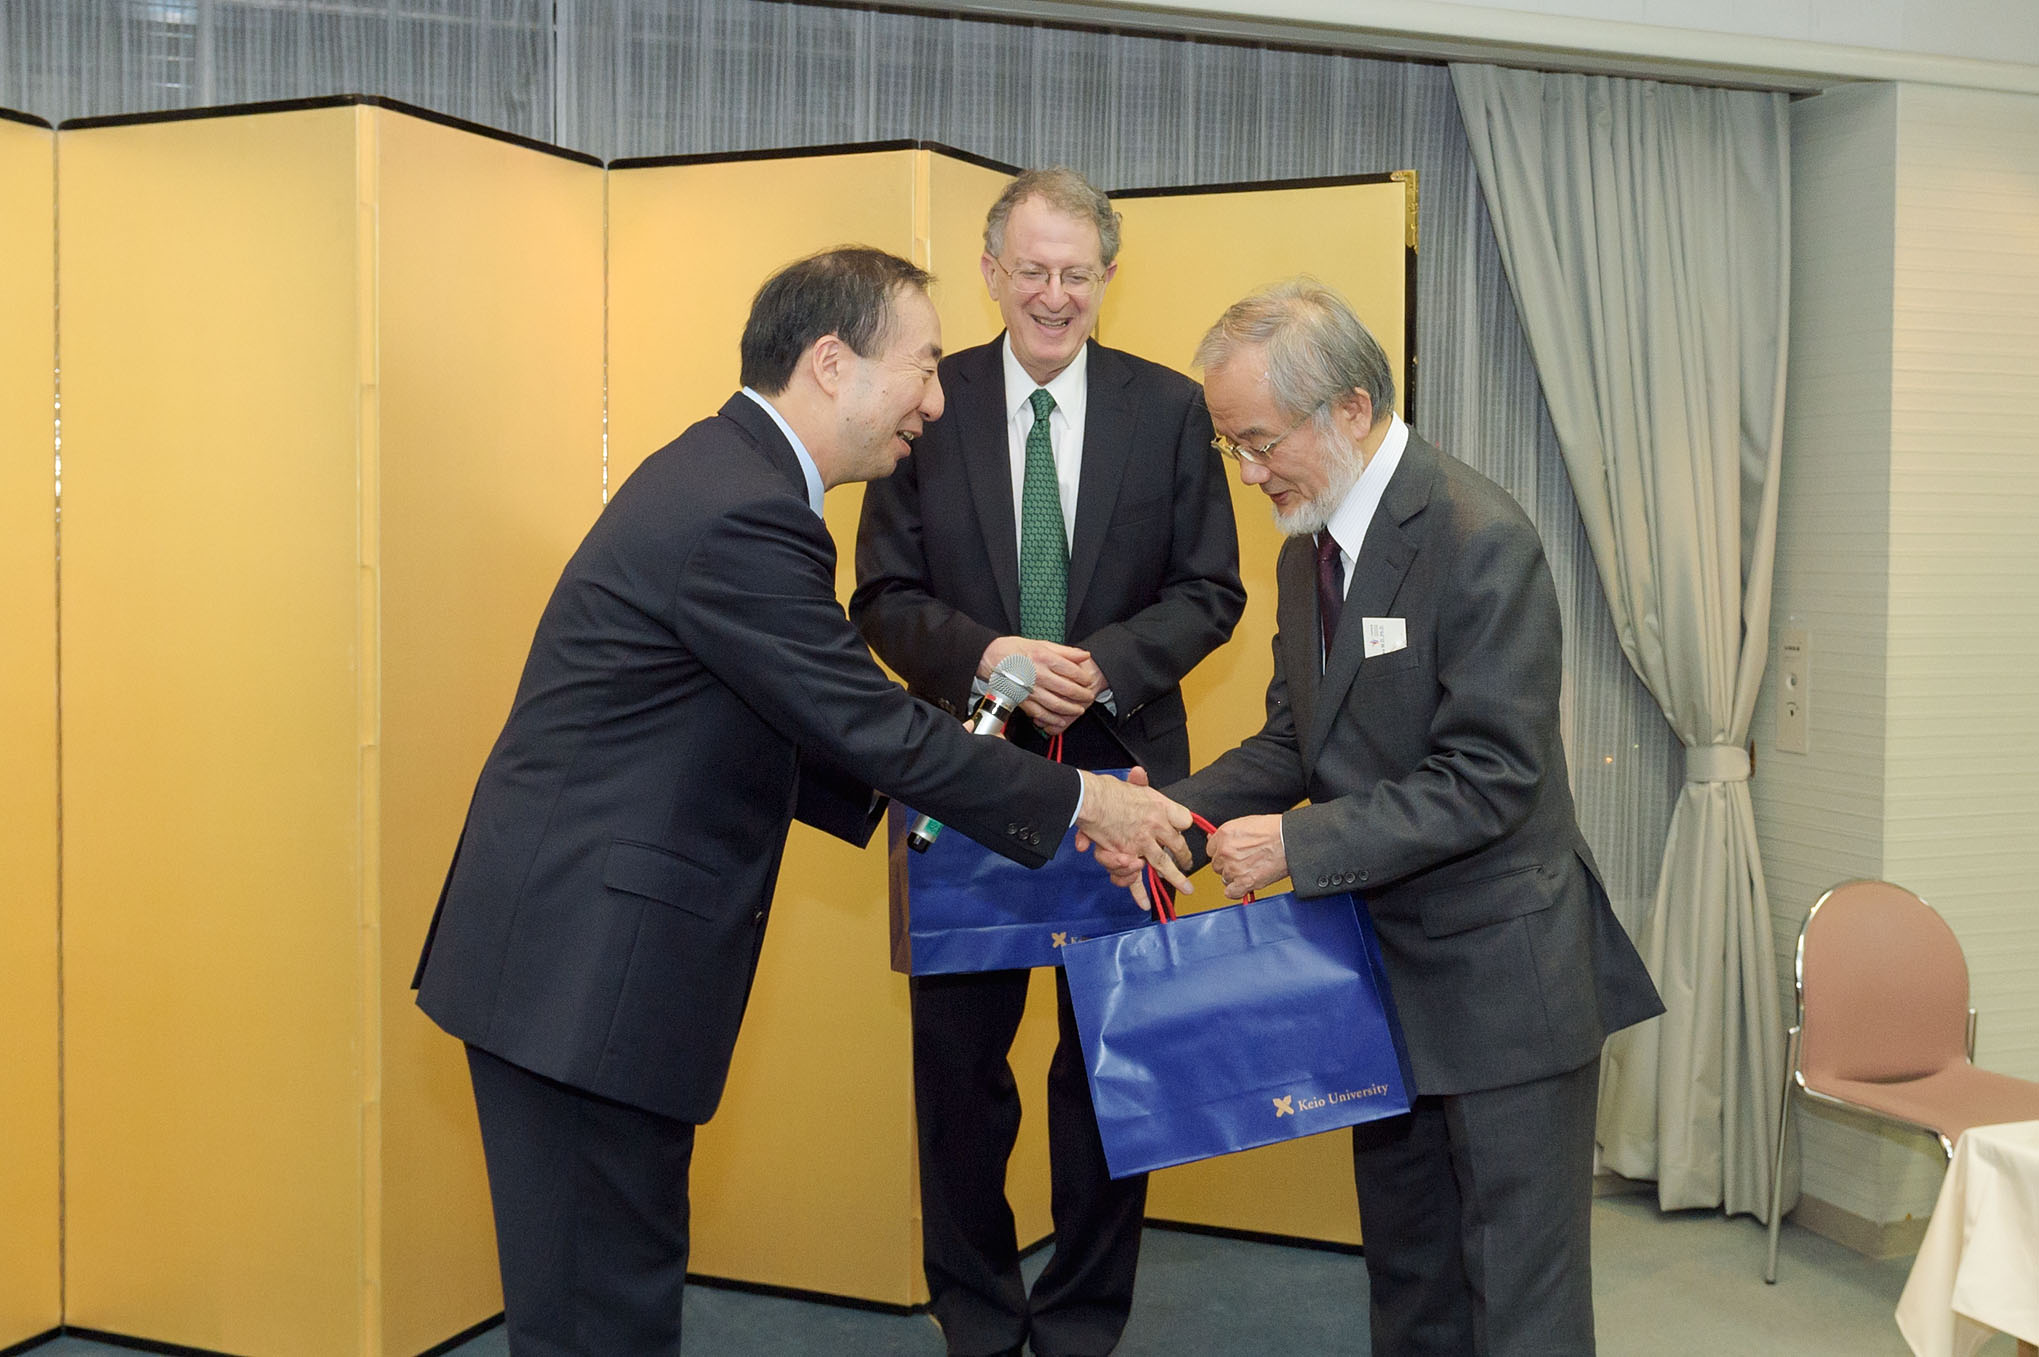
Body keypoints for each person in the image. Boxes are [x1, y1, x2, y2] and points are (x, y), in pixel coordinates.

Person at [412, 246, 1196, 1355]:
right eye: (922, 366)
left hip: (578, 957)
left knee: (605, 1297)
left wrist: (959, 797)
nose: (936, 400)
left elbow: (811, 722)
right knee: (601, 1316)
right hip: (583, 971)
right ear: (832, 363)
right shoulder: (745, 512)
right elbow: (866, 724)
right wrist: (1087, 806)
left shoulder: (731, 477)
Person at [1146, 279, 1662, 1355]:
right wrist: (1164, 822)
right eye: (1232, 447)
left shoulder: (1479, 537)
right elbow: (1295, 741)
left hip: (1501, 983)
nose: (1248, 474)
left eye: (1258, 443)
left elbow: (1490, 775)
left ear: (1348, 407)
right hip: (1378, 975)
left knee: (1520, 1299)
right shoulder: (1306, 548)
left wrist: (1293, 844)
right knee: (1409, 1277)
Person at [852, 169, 1244, 1357]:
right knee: (957, 1083)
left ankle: (1079, 1324)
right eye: (1032, 270)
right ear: (990, 272)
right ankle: (976, 1318)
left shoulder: (1167, 409)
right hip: (963, 784)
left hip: (1126, 788)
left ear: (1108, 277)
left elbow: (1211, 589)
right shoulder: (928, 403)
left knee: (1111, 1078)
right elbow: (881, 594)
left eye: (1078, 273)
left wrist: (1103, 665)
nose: (1054, 295)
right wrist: (991, 655)